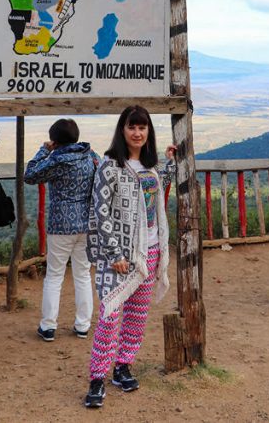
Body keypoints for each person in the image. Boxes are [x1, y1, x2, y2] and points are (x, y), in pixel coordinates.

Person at [84, 105, 176, 409]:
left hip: (150, 251)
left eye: (142, 127)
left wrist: (171, 162)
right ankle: (97, 378)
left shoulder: (149, 167)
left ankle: (122, 366)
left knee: (137, 316)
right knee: (110, 316)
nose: (137, 133)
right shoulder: (110, 166)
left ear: (148, 131)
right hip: (121, 256)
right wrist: (114, 253)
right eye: (131, 127)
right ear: (122, 130)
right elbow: (100, 211)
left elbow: (155, 195)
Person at [24, 118, 98, 342]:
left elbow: (30, 175)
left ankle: (48, 326)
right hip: (87, 224)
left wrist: (42, 150)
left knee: (55, 275)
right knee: (83, 275)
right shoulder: (91, 156)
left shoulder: (57, 159)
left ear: (55, 140)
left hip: (61, 225)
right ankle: (83, 326)